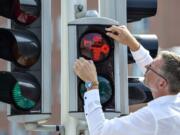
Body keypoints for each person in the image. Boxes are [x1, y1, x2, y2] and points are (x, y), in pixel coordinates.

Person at [73, 25, 180, 135]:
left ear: (162, 84)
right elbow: (156, 71)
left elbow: (100, 131)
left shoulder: (153, 117)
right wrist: (133, 44)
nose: (147, 67)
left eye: (151, 67)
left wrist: (91, 84)